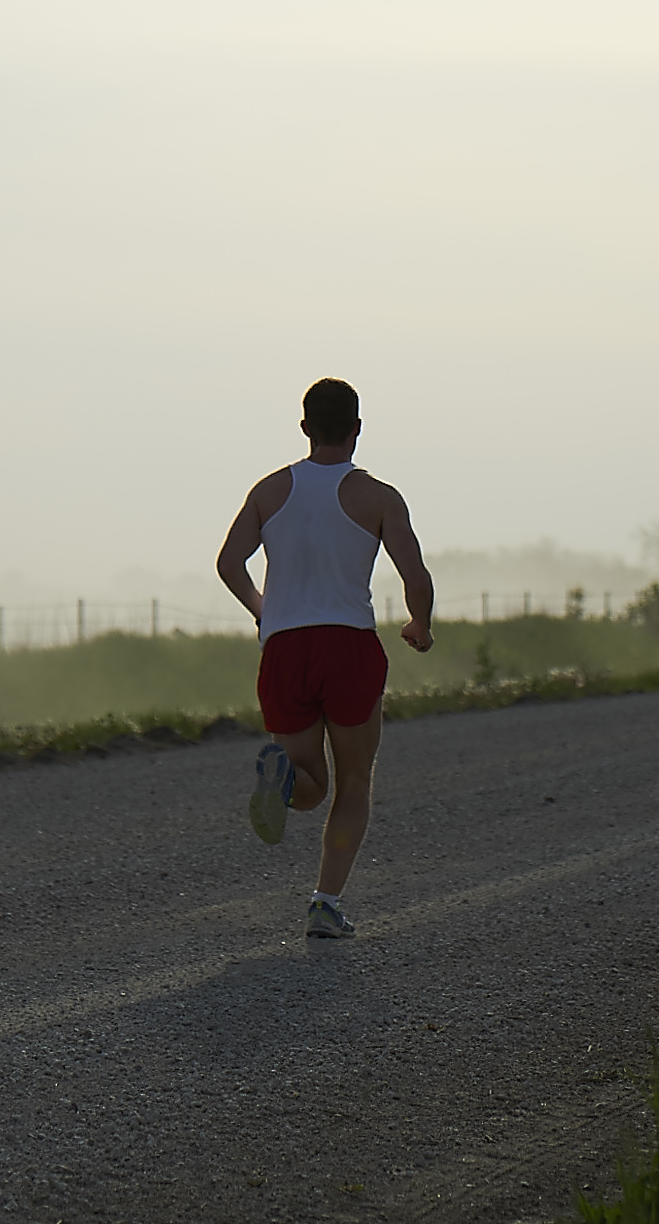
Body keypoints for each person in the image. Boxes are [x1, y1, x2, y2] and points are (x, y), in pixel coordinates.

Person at [215, 378, 435, 940]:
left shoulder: (270, 490)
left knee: (310, 782)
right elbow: (415, 575)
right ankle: (325, 904)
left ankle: (283, 782)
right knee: (354, 783)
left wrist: (263, 609)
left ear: (305, 427)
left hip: (286, 648)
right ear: (357, 430)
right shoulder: (379, 497)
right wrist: (419, 623)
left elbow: (229, 562)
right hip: (348, 645)